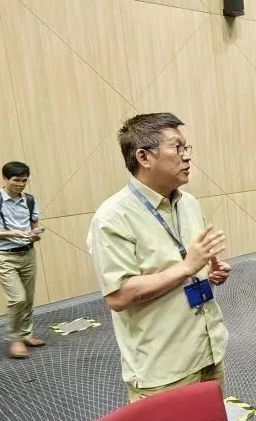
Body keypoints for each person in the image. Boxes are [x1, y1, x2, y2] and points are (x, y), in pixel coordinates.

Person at [88, 113, 231, 402]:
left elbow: (190, 263)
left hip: (208, 349)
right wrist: (187, 267)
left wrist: (208, 271)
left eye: (186, 148)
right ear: (144, 157)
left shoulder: (189, 203)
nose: (186, 156)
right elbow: (118, 296)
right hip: (163, 368)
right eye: (177, 148)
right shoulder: (113, 217)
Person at [0, 162, 44, 359]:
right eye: (16, 180)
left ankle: (26, 334)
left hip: (27, 253)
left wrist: (36, 233)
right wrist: (10, 233)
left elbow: (35, 225)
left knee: (28, 298)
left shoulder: (29, 200)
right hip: (3, 255)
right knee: (17, 298)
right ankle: (15, 339)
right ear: (4, 179)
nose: (20, 184)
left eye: (24, 180)